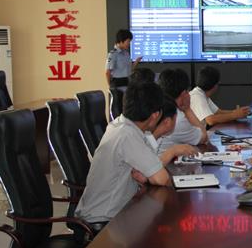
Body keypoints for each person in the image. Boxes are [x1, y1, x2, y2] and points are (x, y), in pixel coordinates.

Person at [75, 82, 197, 227]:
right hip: (105, 220)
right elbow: (161, 178)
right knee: (170, 222)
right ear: (155, 115)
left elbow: (148, 170)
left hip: (117, 210)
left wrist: (148, 176)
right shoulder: (127, 135)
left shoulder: (121, 125)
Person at [157, 68, 209, 153]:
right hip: (164, 161)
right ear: (184, 93)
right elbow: (204, 138)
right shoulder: (177, 118)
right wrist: (187, 109)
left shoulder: (155, 109)